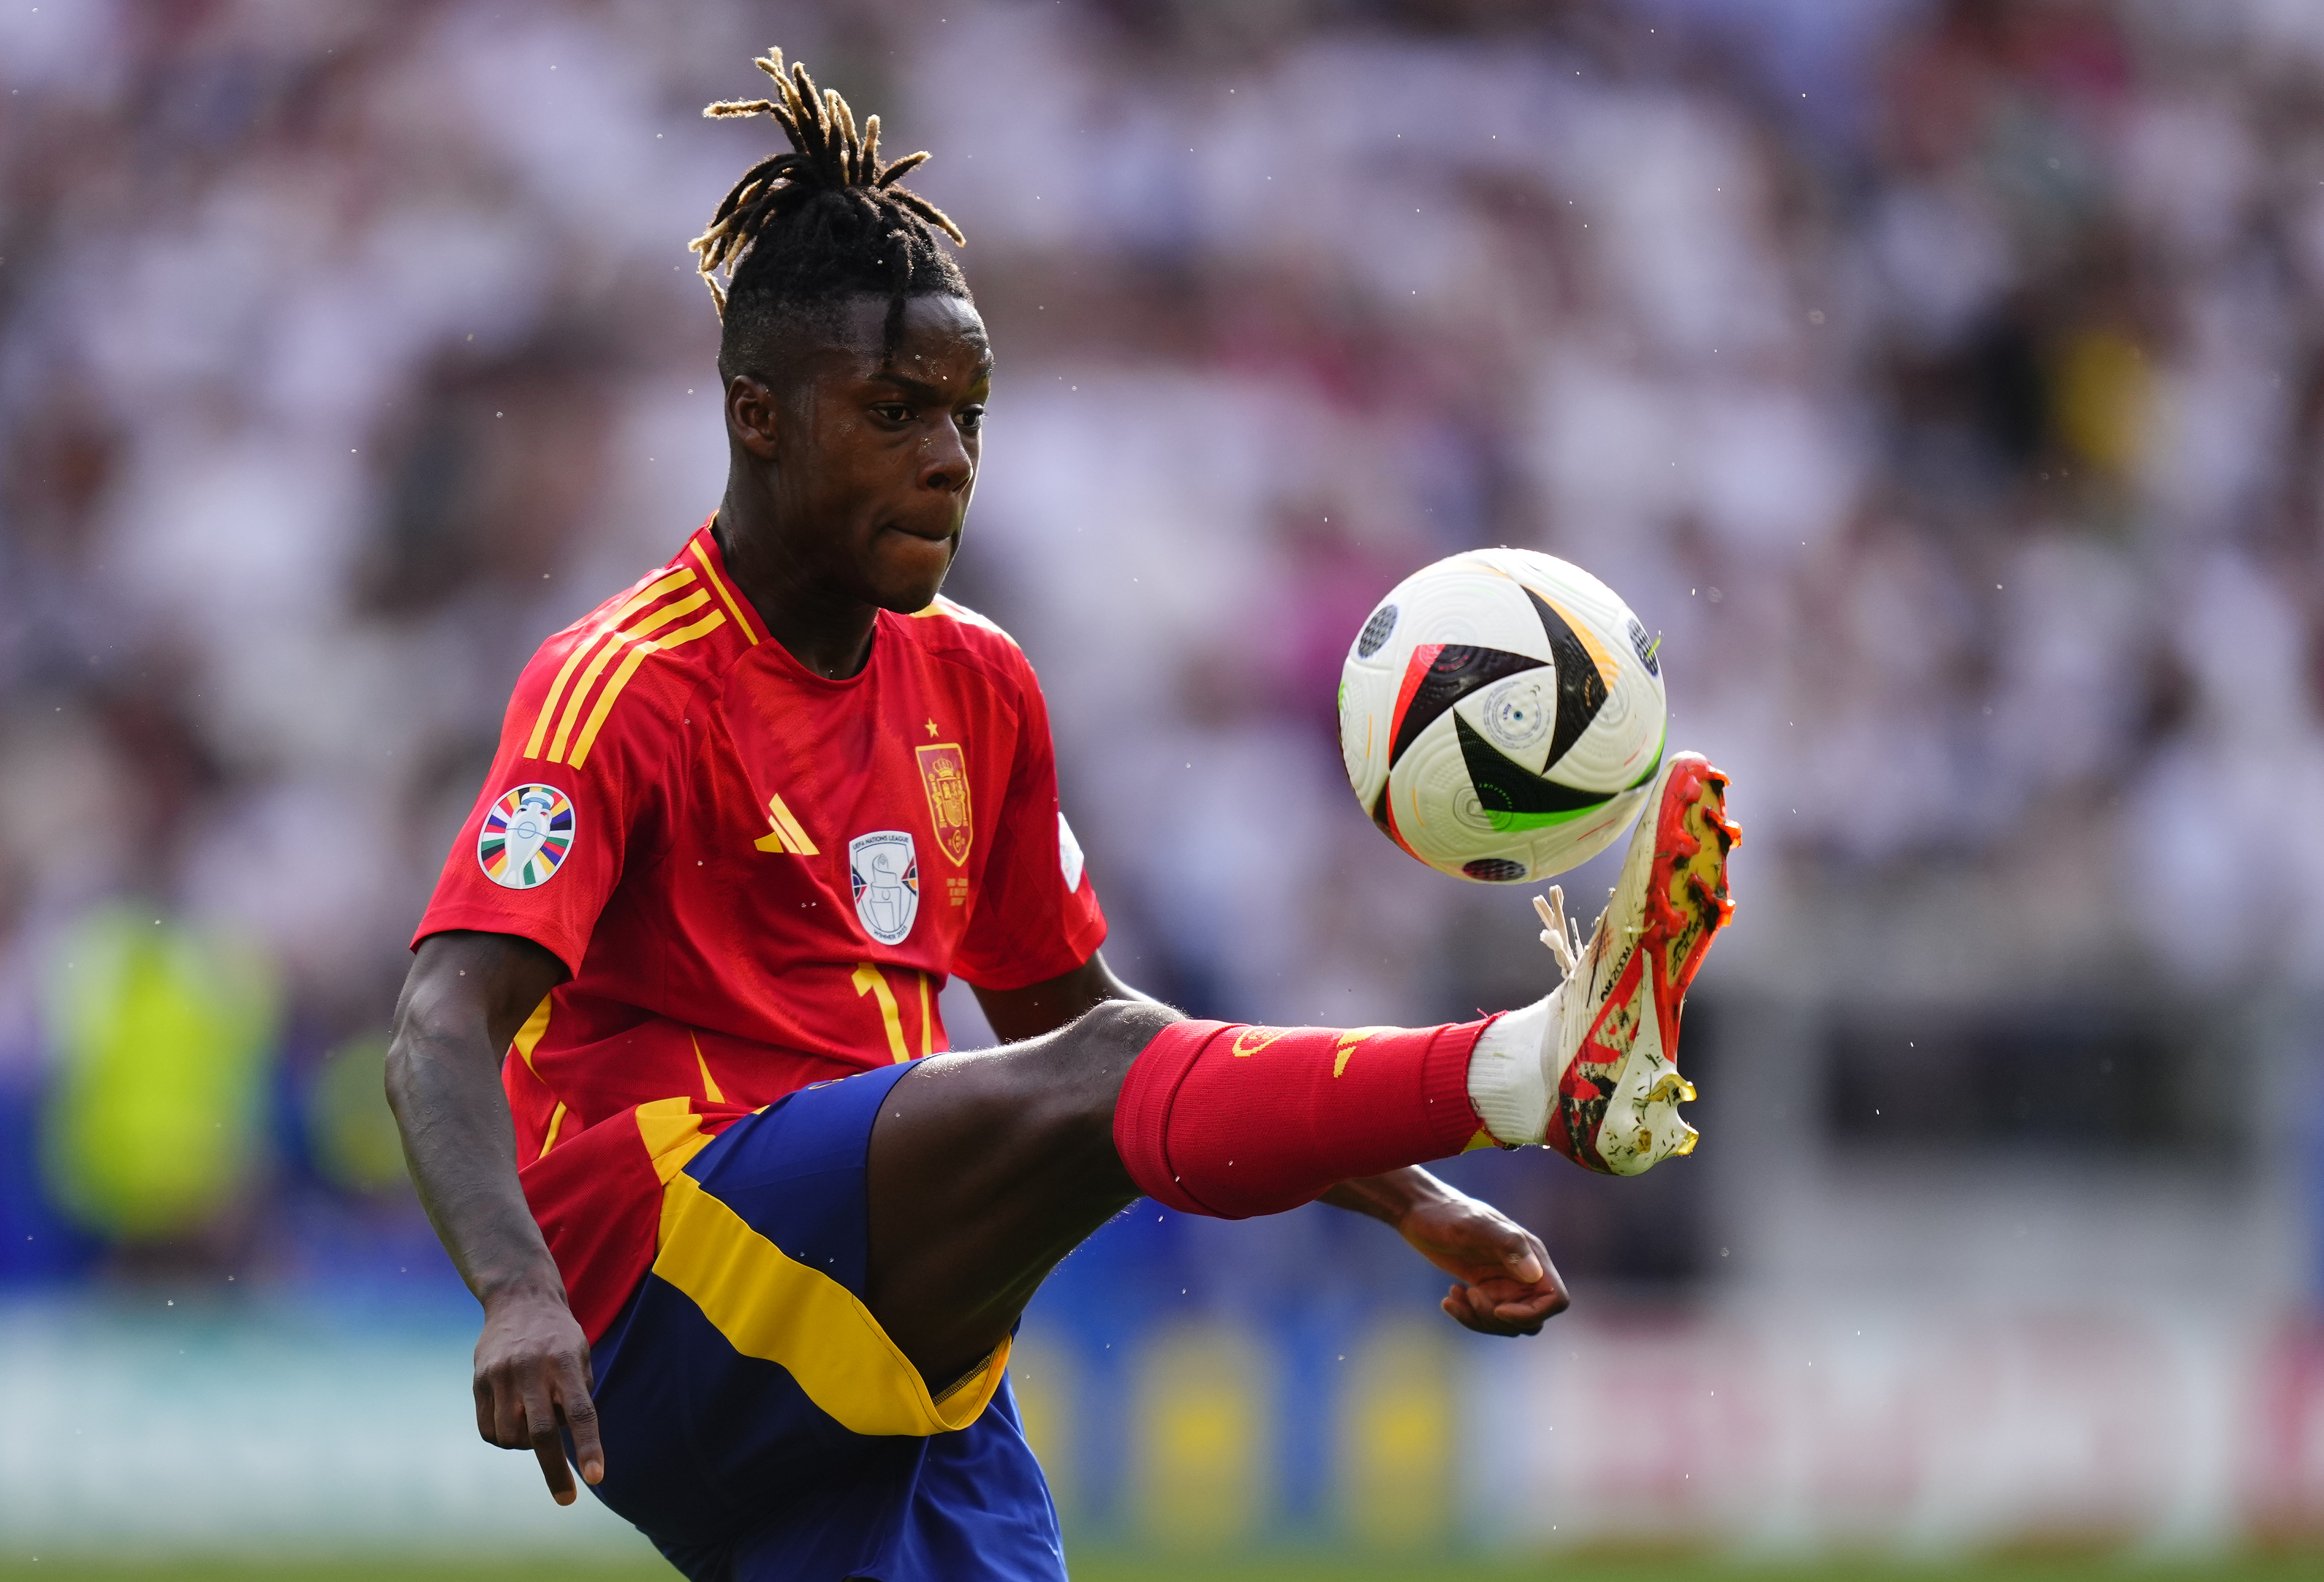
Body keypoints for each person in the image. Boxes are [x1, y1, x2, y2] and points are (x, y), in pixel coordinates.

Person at [385, 51, 1738, 1582]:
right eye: (895, 413)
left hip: (883, 1330)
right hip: (664, 1285)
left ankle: (1494, 1090)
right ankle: (1538, 1063)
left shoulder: (980, 684)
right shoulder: (623, 685)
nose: (949, 460)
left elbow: (1096, 1027)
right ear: (756, 417)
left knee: (1086, 1064)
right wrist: (516, 1291)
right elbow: (439, 1021)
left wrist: (1406, 1198)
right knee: (1085, 1080)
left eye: (966, 414)